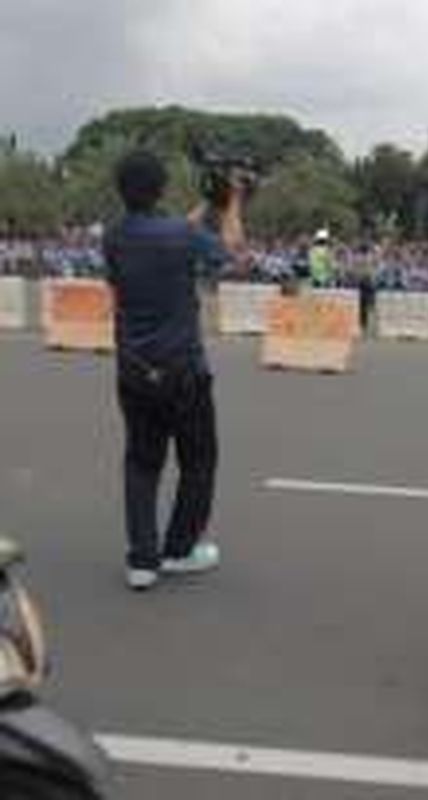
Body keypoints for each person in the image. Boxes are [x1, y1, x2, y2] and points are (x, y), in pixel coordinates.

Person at [103, 150, 245, 591]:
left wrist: (208, 203)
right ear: (162, 187)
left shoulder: (114, 235)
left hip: (134, 368)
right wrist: (234, 200)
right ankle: (179, 550)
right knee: (198, 462)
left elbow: (171, 233)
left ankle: (142, 561)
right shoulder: (180, 235)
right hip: (184, 369)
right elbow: (232, 254)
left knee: (142, 464)